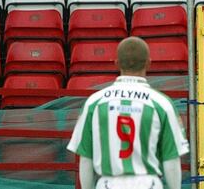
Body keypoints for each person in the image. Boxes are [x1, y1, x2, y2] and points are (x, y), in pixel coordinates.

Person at [67, 36, 189, 189]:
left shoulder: (94, 103)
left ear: (116, 63)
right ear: (148, 63)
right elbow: (171, 160)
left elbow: (85, 159)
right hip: (148, 184)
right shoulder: (162, 104)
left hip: (108, 184)